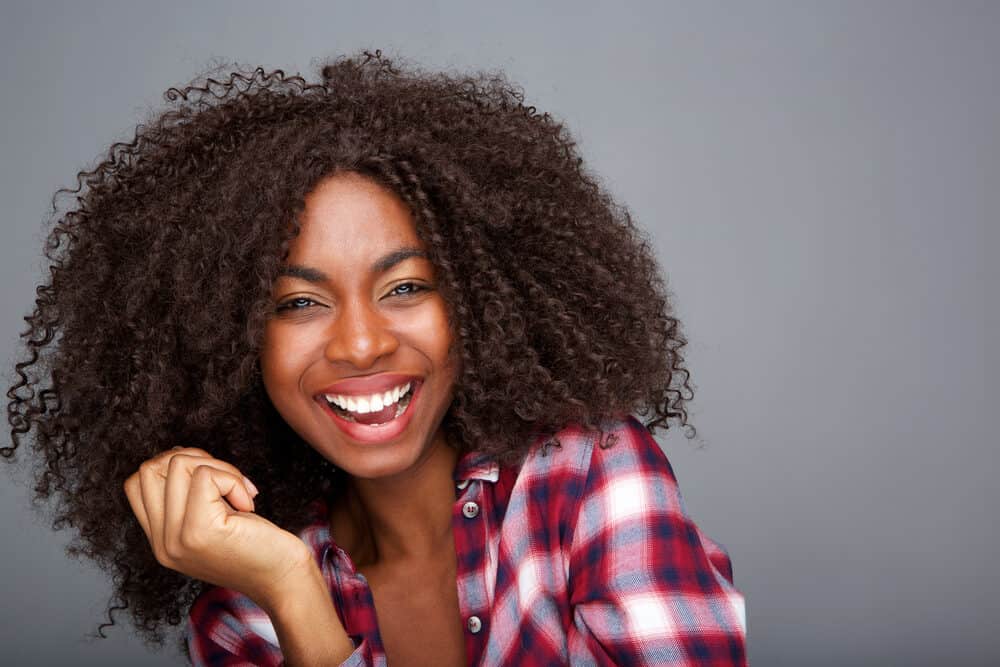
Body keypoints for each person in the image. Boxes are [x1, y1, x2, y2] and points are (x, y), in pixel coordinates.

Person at [4, 51, 746, 665]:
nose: (361, 343)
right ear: (228, 341)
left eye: (407, 286)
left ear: (478, 300)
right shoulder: (246, 601)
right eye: (298, 302)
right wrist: (290, 587)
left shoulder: (588, 475)